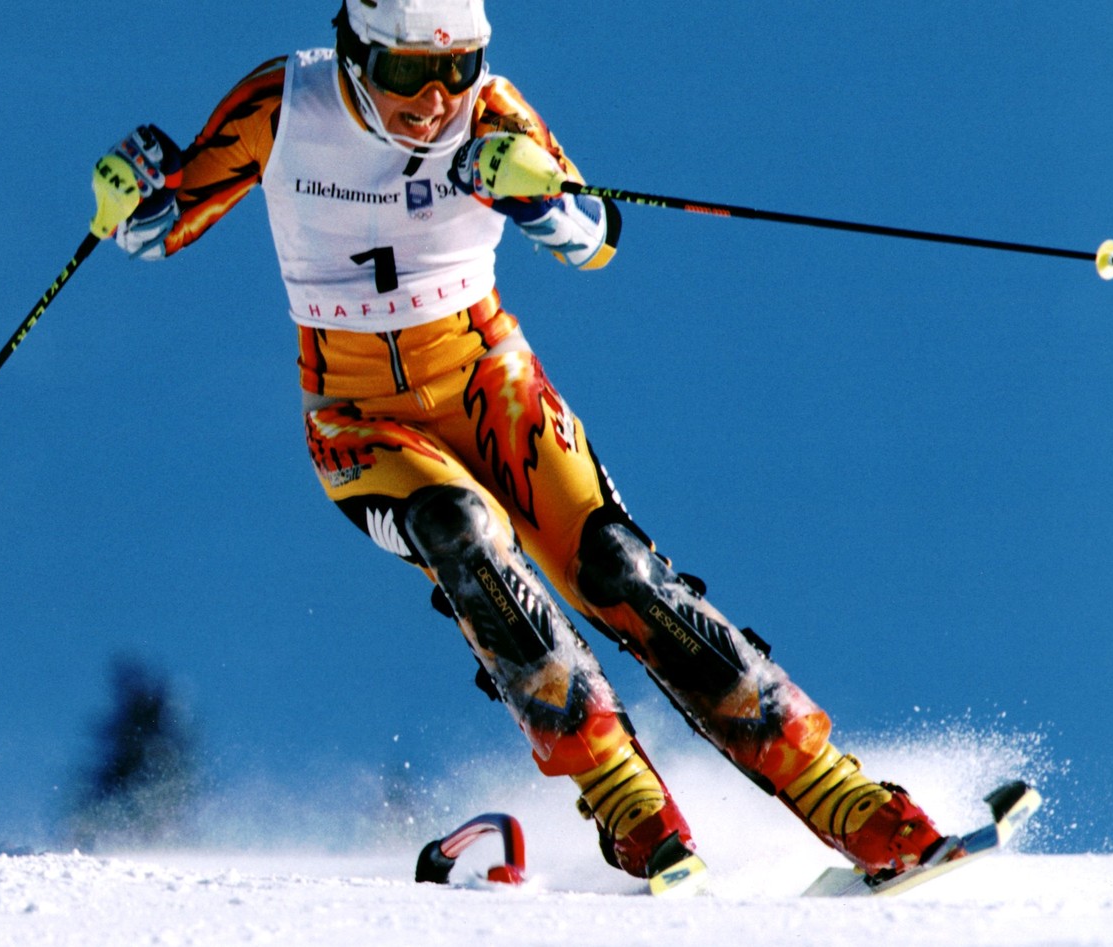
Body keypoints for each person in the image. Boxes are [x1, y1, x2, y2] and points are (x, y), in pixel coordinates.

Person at [89, 0, 946, 886]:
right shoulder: (285, 102)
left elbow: (598, 238)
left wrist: (535, 196)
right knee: (461, 533)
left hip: (487, 379)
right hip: (357, 411)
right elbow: (158, 230)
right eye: (404, 72)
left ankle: (854, 806)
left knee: (616, 570)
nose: (431, 100)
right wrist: (127, 197)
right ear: (353, 55)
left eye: (454, 68)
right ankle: (627, 802)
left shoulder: (490, 112)